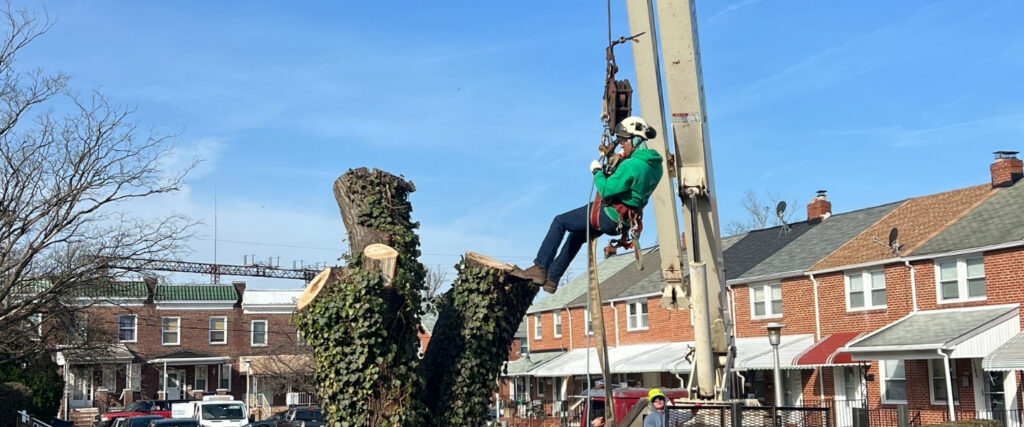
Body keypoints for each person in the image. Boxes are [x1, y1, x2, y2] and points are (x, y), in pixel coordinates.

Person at [520, 116, 663, 293]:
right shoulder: (655, 166)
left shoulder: (632, 166)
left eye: (624, 141)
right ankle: (552, 279)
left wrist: (597, 171)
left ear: (635, 139)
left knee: (560, 221)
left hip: (607, 215)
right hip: (622, 222)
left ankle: (540, 267)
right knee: (578, 235)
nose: (622, 145)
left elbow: (606, 189)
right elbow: (632, 183)